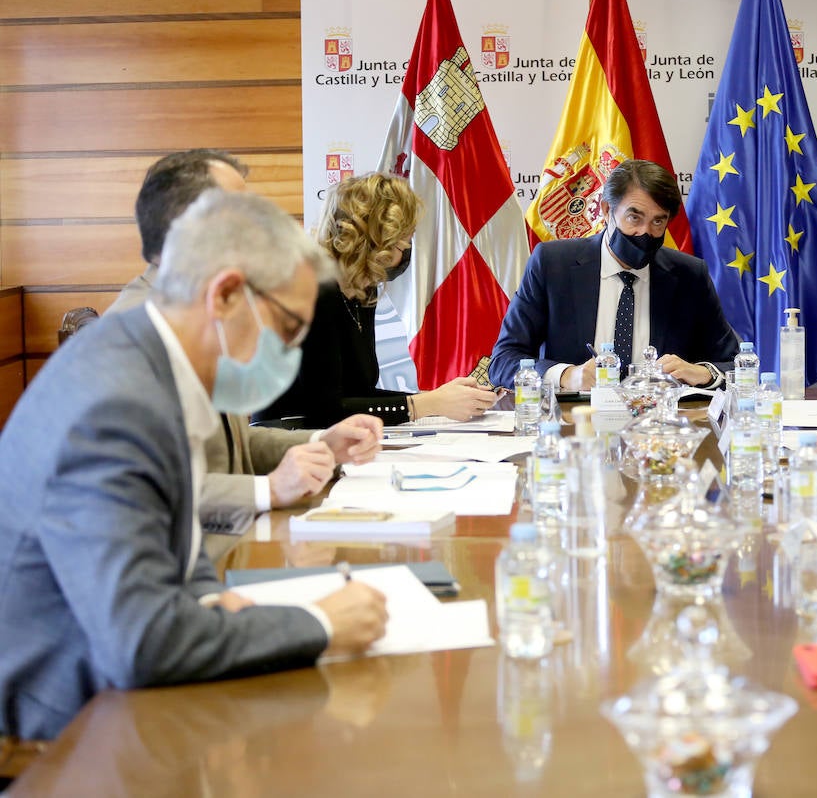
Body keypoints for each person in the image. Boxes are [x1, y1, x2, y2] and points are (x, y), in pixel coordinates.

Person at [0, 191, 388, 743]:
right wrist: (322, 624)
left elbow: (176, 543)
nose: (293, 353)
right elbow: (142, 644)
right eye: (287, 330)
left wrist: (210, 598)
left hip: (123, 682)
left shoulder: (155, 364)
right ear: (226, 294)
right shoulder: (117, 402)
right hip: (64, 722)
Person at [109, 150, 385, 556]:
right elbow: (144, 491)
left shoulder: (196, 312)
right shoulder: (133, 339)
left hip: (229, 551)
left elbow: (229, 444)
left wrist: (320, 443)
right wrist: (269, 488)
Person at [257, 172, 498, 428]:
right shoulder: (313, 290)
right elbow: (326, 411)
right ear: (369, 241)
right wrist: (429, 404)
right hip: (287, 440)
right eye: (401, 244)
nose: (405, 253)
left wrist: (438, 399)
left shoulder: (362, 291)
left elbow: (358, 394)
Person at [489, 159, 740, 390]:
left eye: (657, 222)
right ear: (607, 209)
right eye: (634, 217)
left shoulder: (689, 276)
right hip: (575, 424)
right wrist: (566, 375)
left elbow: (738, 365)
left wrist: (704, 372)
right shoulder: (553, 264)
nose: (645, 232)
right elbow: (504, 361)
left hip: (658, 426)